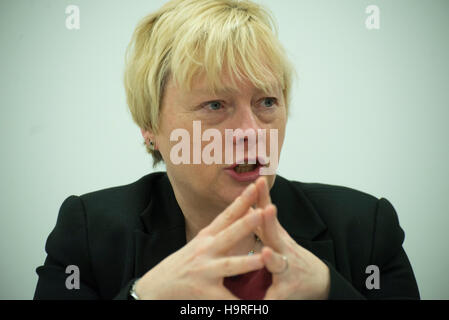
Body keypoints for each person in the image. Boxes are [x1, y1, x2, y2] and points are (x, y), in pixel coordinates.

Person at [34, 0, 420, 300]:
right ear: (150, 127)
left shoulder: (366, 228)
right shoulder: (86, 233)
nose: (250, 132)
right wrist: (143, 296)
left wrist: (328, 290)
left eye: (267, 102)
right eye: (215, 105)